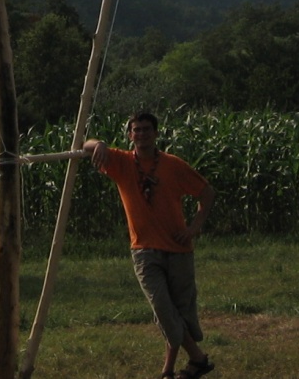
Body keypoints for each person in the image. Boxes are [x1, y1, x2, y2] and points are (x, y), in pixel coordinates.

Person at [86, 112, 216, 379]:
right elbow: (85, 146)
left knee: (178, 311)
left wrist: (194, 227)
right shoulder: (121, 162)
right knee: (163, 308)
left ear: (156, 133)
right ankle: (198, 358)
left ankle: (169, 370)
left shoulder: (173, 165)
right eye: (136, 130)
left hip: (178, 248)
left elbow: (207, 193)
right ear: (130, 135)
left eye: (147, 129)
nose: (141, 134)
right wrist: (97, 143)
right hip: (144, 250)